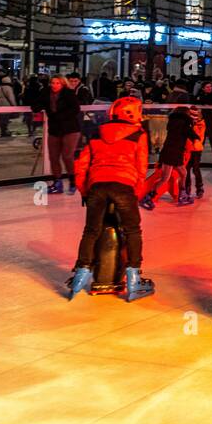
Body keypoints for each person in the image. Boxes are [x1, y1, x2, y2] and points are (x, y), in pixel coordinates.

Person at [69, 96, 154, 302]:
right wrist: (136, 191)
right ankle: (133, 278)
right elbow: (141, 166)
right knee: (133, 230)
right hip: (124, 185)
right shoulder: (139, 133)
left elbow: (81, 165)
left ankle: (81, 274)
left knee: (91, 231)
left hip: (97, 185)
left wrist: (85, 191)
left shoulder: (97, 131)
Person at [141, 104, 194, 209]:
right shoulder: (183, 124)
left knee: (182, 173)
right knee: (166, 178)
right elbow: (189, 133)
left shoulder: (174, 123)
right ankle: (149, 196)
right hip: (173, 153)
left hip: (171, 152)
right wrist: (195, 138)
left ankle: (181, 195)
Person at [43, 75, 83, 195]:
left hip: (70, 129)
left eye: (57, 83)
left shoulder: (69, 94)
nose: (54, 85)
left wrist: (61, 116)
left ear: (63, 84)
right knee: (53, 156)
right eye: (53, 83)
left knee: (67, 156)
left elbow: (76, 109)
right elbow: (38, 102)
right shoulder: (47, 94)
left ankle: (72, 181)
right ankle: (57, 182)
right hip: (54, 129)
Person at [185, 106, 207, 198]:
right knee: (186, 170)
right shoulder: (187, 124)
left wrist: (193, 125)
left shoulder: (201, 125)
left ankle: (199, 187)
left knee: (195, 169)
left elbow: (199, 137)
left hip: (196, 150)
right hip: (187, 150)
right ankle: (187, 187)